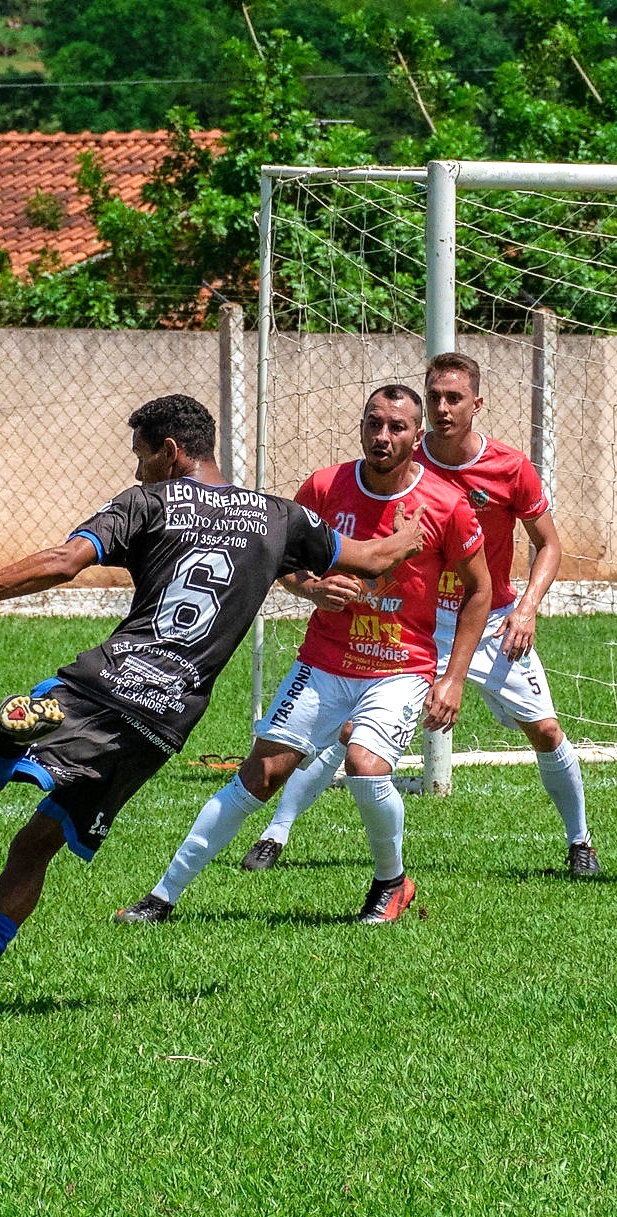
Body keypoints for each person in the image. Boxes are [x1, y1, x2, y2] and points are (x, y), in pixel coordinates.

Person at [0, 394, 426, 1021]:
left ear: (171, 453)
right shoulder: (278, 517)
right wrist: (410, 534)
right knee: (37, 843)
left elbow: (65, 562)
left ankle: (7, 744)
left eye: (141, 457)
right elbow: (373, 558)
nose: (136, 472)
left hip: (99, 685)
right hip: (161, 723)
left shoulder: (148, 503)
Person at [116, 384, 491, 927]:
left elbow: (480, 590)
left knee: (365, 765)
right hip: (324, 660)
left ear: (418, 435)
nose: (382, 436)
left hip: (400, 667)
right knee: (258, 776)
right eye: (373, 423)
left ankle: (390, 884)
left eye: (397, 427)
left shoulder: (446, 504)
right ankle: (163, 896)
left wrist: (453, 678)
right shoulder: (324, 486)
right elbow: (279, 560)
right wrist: (311, 589)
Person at [240, 351, 599, 877]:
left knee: (545, 730)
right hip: (411, 624)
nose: (443, 408)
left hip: (490, 618)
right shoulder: (402, 461)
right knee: (348, 734)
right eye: (434, 397)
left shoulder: (510, 466)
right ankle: (276, 833)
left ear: (477, 404)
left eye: (454, 398)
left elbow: (549, 544)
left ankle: (580, 841)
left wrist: (527, 608)